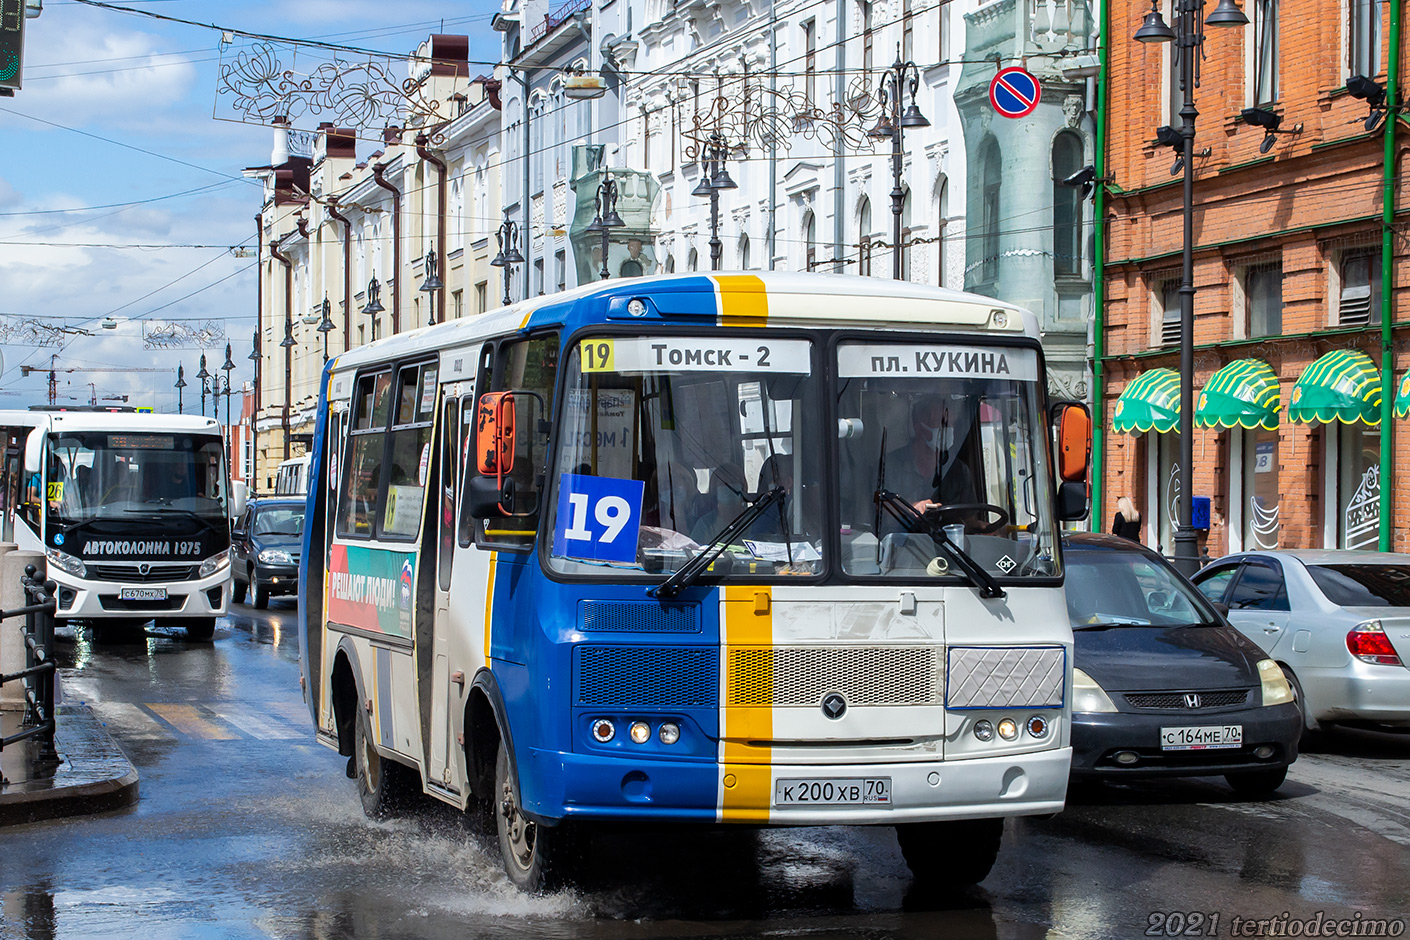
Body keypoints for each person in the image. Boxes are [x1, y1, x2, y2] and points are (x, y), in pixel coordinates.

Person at [885, 394, 978, 517]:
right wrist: (911, 507)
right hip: (902, 535)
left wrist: (983, 529)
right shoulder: (890, 467)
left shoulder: (959, 471)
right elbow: (881, 509)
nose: (948, 429)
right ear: (918, 427)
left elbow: (968, 521)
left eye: (951, 424)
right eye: (942, 423)